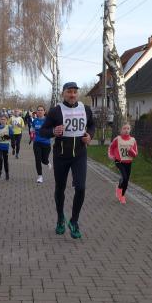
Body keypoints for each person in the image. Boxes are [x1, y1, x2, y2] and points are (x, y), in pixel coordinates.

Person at [38, 81, 94, 238]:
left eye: (75, 92)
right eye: (69, 92)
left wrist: (90, 136)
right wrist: (53, 131)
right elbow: (43, 131)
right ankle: (60, 218)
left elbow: (91, 126)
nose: (72, 95)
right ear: (63, 94)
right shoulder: (56, 111)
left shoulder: (86, 109)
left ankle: (74, 221)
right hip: (61, 156)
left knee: (81, 187)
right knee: (60, 188)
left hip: (79, 155)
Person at [107, 122, 138, 204]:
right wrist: (111, 155)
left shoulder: (133, 140)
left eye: (128, 128)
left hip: (128, 162)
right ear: (121, 130)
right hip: (119, 161)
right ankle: (120, 192)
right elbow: (111, 147)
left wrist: (131, 152)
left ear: (130, 130)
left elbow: (135, 153)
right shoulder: (117, 139)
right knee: (124, 177)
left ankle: (122, 195)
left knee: (126, 180)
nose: (126, 130)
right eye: (124, 128)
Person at [31, 105, 52, 184]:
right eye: (38, 110)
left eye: (41, 110)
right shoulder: (34, 121)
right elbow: (32, 129)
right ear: (36, 112)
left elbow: (52, 130)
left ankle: (47, 162)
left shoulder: (48, 121)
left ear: (44, 111)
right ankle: (40, 176)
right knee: (38, 159)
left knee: (44, 160)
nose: (40, 111)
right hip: (37, 143)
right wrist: (32, 134)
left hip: (46, 143)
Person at [0, 113, 12, 180]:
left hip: (6, 146)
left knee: (5, 160)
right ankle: (0, 171)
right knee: (0, 159)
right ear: (0, 120)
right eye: (1, 119)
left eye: (4, 119)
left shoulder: (9, 127)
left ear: (6, 120)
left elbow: (11, 136)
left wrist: (4, 137)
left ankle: (7, 173)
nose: (3, 120)